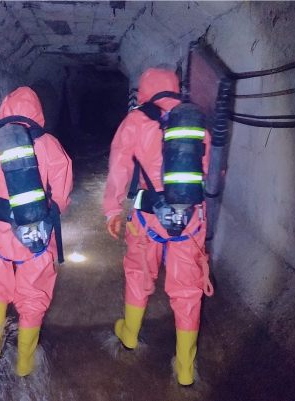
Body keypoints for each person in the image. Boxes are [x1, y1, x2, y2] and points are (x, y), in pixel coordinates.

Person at [103, 68, 214, 386]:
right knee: (188, 288)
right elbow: (211, 171)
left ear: (143, 92)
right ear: (176, 89)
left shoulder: (135, 121)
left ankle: (129, 335)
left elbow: (119, 168)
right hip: (190, 218)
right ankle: (185, 368)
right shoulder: (195, 122)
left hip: (147, 216)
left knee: (139, 273)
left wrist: (112, 210)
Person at [0, 87, 73, 376]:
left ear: (4, 109)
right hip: (37, 234)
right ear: (38, 113)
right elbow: (62, 196)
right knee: (33, 295)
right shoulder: (50, 144)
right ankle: (25, 363)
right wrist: (43, 212)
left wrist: (2, 211)